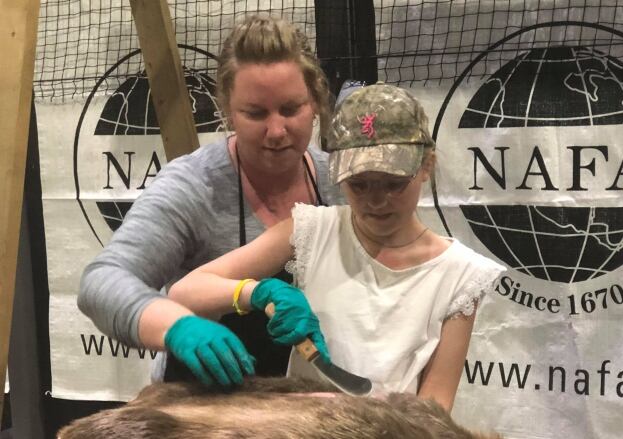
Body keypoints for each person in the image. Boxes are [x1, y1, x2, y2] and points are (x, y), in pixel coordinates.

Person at [168, 83, 506, 411]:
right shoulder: (312, 231)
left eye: (393, 184)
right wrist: (256, 293)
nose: (376, 201)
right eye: (358, 185)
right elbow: (185, 292)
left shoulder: (458, 275)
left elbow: (434, 408)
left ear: (426, 167)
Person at [78, 14, 341, 388]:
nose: (277, 131)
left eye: (290, 109)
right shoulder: (193, 186)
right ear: (228, 110)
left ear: (314, 101)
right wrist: (178, 327)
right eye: (255, 113)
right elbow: (101, 283)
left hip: (312, 404)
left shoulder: (341, 184)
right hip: (203, 406)